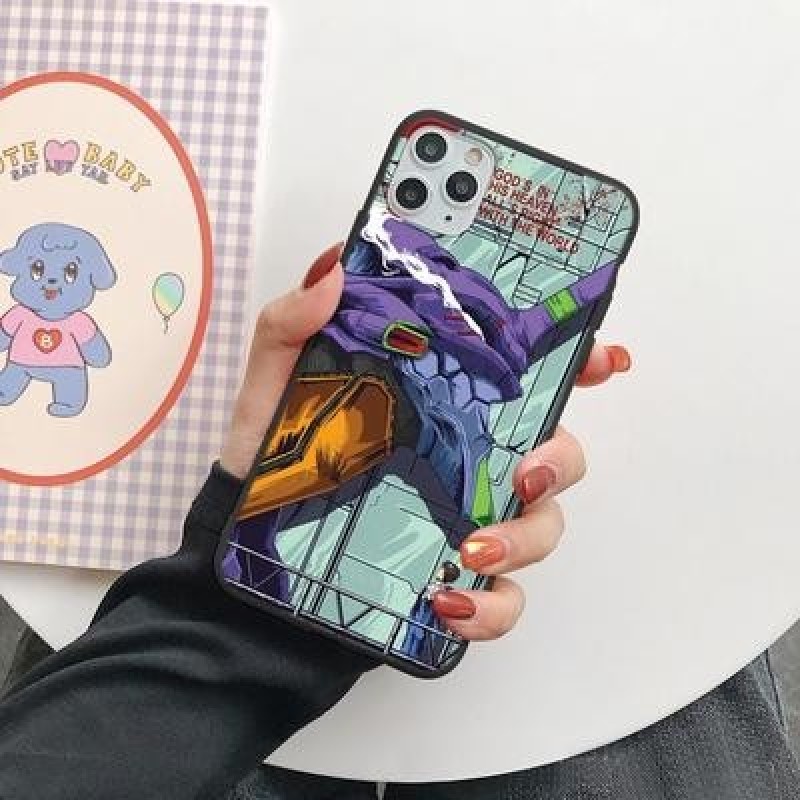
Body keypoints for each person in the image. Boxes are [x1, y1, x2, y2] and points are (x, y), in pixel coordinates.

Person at [0, 247, 797, 800]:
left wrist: (242, 597)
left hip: (210, 632)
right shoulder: (444, 354)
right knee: (649, 678)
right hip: (370, 465)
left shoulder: (459, 360)